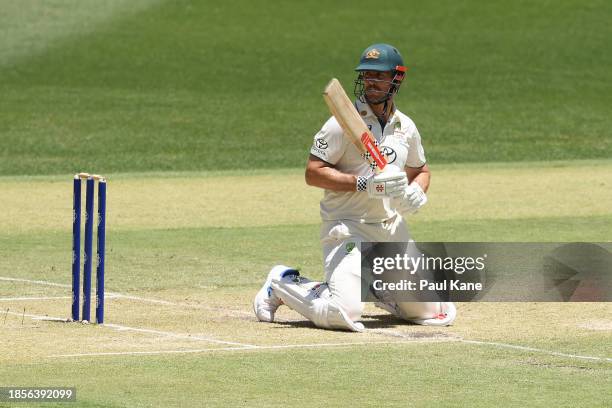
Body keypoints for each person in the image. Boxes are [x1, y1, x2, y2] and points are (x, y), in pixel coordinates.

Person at [253, 44, 456, 331]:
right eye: (366, 75)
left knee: (435, 312)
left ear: (397, 79)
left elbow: (420, 170)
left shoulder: (405, 126)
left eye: (379, 75)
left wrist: (418, 191)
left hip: (391, 230)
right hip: (348, 227)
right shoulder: (342, 123)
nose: (371, 82)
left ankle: (387, 293)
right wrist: (363, 183)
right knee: (344, 313)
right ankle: (282, 282)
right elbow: (313, 173)